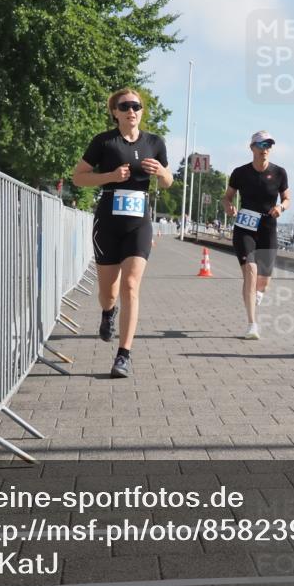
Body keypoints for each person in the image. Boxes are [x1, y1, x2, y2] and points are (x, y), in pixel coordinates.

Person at [72, 88, 172, 378]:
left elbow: (168, 182)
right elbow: (78, 177)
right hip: (108, 222)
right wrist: (110, 177)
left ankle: (124, 355)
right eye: (125, 106)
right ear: (114, 111)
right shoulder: (104, 141)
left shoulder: (155, 142)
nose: (131, 110)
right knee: (109, 292)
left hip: (138, 222)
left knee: (131, 285)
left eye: (136, 105)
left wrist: (161, 173)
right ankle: (107, 313)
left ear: (142, 110)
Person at [222, 131, 290, 340]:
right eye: (261, 145)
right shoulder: (240, 173)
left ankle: (255, 294)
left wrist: (281, 207)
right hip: (245, 228)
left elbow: (287, 198)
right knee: (250, 273)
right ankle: (252, 324)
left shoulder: (279, 173)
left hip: (268, 227)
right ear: (252, 148)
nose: (265, 149)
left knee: (264, 281)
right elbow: (227, 198)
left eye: (269, 144)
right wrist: (229, 207)